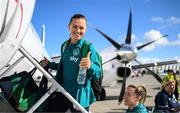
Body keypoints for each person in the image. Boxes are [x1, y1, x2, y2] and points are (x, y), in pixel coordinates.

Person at [41, 14, 101, 112]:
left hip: (79, 97)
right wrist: (49, 64)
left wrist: (90, 66)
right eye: (74, 27)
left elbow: (97, 74)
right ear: (69, 27)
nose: (78, 31)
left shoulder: (88, 47)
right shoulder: (64, 46)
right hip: (62, 91)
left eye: (81, 28)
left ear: (85, 29)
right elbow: (63, 65)